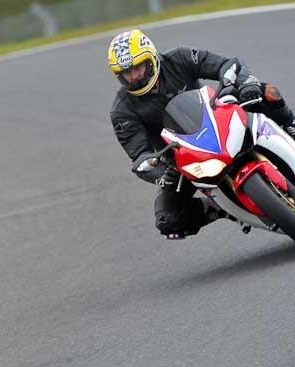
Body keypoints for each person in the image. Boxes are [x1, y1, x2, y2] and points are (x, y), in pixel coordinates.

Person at [108, 29, 295, 239]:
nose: (134, 77)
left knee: (264, 91)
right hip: (181, 160)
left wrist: (245, 82)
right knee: (168, 220)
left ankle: (291, 127)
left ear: (151, 59)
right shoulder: (122, 111)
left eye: (138, 67)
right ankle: (218, 209)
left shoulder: (179, 58)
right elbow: (139, 156)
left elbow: (228, 65)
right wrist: (161, 176)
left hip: (215, 118)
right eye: (126, 73)